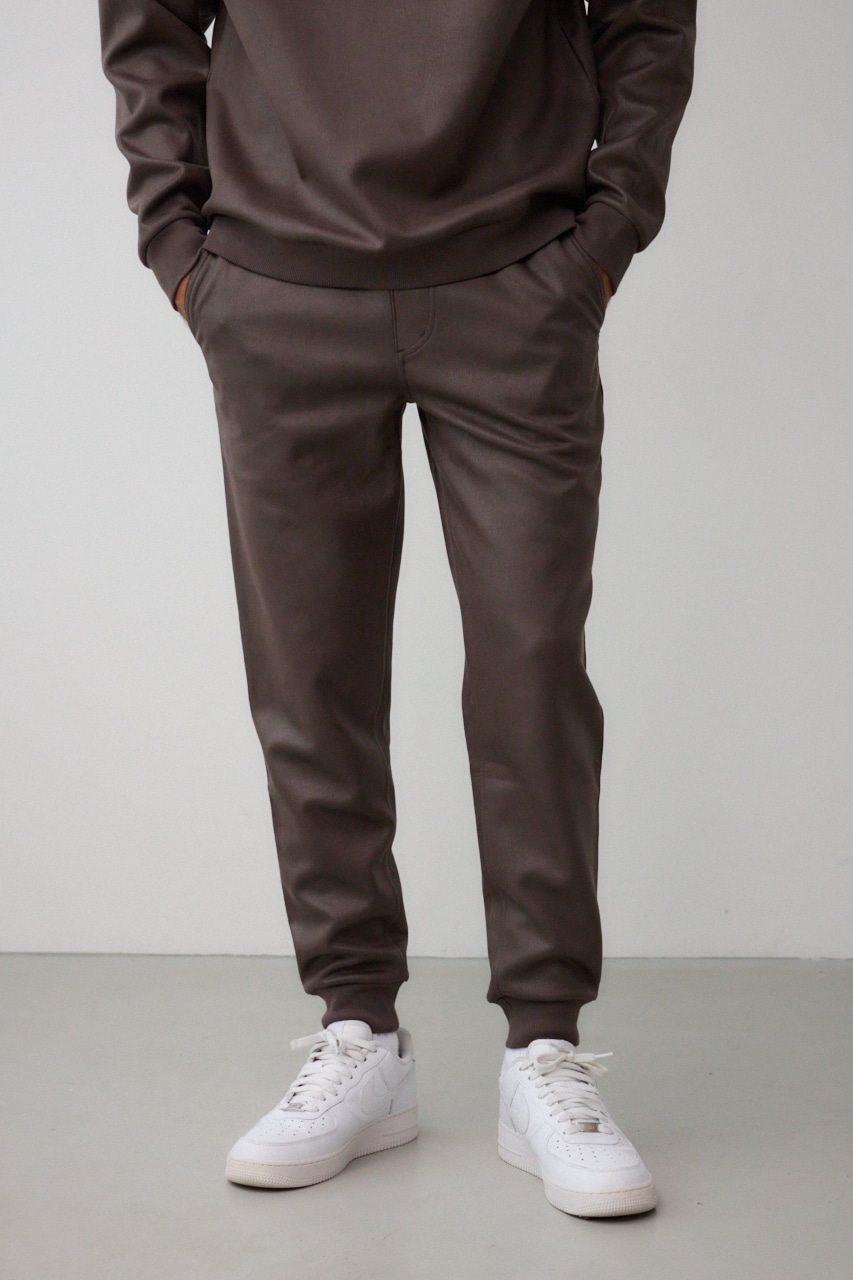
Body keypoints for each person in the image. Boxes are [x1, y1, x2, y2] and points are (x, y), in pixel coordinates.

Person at [98, 0, 696, 1218]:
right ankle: (357, 1028)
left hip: (517, 278)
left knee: (531, 663)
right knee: (309, 675)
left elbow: (646, 16)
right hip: (277, 283)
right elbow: (147, 17)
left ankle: (543, 1043)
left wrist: (607, 228)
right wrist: (178, 244)